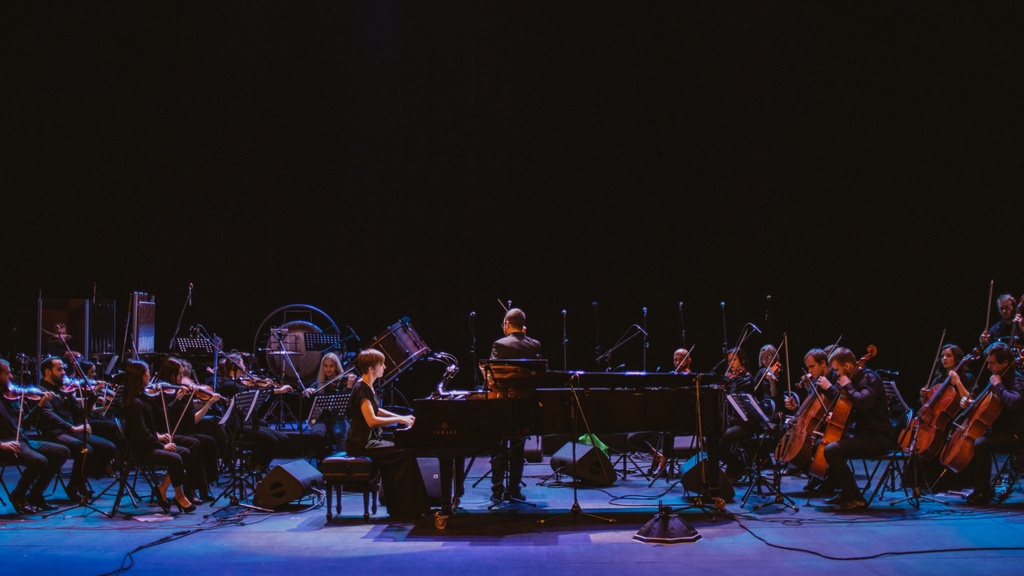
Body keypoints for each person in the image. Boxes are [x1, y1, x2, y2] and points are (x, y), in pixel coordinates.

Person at [345, 348, 429, 518]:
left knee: (405, 450)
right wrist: (399, 420)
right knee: (404, 451)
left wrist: (401, 417)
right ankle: (405, 508)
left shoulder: (367, 387)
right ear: (371, 369)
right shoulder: (361, 388)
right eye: (382, 364)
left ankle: (406, 506)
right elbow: (371, 420)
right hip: (362, 443)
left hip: (369, 441)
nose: (384, 367)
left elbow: (377, 410)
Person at [817, 346, 894, 511]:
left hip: (877, 438)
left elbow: (863, 403)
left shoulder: (871, 378)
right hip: (862, 435)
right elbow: (849, 405)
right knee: (824, 443)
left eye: (837, 369)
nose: (836, 373)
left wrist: (848, 385)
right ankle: (844, 491)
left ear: (847, 366)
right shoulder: (853, 380)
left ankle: (856, 498)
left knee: (832, 450)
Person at [34, 356, 118, 501]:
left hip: (71, 432)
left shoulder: (63, 390)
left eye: (63, 369)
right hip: (55, 433)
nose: (63, 372)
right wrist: (72, 427)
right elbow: (49, 416)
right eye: (59, 369)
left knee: (109, 448)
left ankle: (81, 480)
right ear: (47, 371)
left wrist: (93, 396)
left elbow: (80, 411)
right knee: (86, 450)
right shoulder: (41, 391)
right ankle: (74, 486)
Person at [121, 359, 196, 513]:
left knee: (185, 452)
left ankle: (162, 489)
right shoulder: (134, 403)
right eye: (147, 372)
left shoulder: (142, 397)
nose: (150, 375)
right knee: (176, 457)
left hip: (148, 443)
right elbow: (141, 434)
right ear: (140, 376)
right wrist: (162, 446)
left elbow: (151, 425)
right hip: (142, 449)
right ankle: (179, 495)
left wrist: (159, 436)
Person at [0, 359, 69, 513]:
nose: (11, 376)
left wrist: (40, 405)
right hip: (5, 445)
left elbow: (24, 424)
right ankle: (18, 495)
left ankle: (35, 495)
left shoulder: (10, 396)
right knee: (39, 461)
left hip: (21, 441)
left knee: (62, 451)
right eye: (7, 373)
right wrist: (2, 444)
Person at [959, 342, 1024, 505]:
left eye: (992, 363)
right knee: (974, 439)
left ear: (1005, 362)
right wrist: (971, 404)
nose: (988, 367)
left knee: (981, 443)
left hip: (1016, 433)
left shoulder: (1016, 379)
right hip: (1000, 431)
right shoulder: (997, 377)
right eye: (987, 362)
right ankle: (975, 486)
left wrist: (998, 385)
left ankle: (983, 492)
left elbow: (1014, 402)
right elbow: (987, 403)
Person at [488, 308, 541, 503]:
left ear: (507, 324)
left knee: (498, 447)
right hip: (525, 405)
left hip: (503, 404)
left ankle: (497, 491)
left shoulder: (500, 344)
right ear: (523, 326)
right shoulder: (535, 344)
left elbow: (492, 377)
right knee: (518, 448)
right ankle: (514, 490)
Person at [215, 352, 292, 472]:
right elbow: (251, 392)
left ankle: (254, 462)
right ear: (236, 366)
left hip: (248, 422)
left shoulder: (239, 382)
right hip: (236, 425)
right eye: (242, 363)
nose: (244, 366)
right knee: (273, 441)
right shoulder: (229, 385)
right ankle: (257, 464)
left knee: (283, 438)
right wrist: (277, 391)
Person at [302, 352, 356, 460]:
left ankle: (342, 463)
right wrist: (307, 392)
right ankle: (323, 463)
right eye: (325, 366)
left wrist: (349, 387)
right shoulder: (319, 383)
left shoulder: (344, 382)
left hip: (340, 418)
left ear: (336, 367)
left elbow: (350, 405)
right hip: (321, 419)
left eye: (331, 366)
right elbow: (307, 404)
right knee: (317, 435)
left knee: (340, 433)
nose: (328, 369)